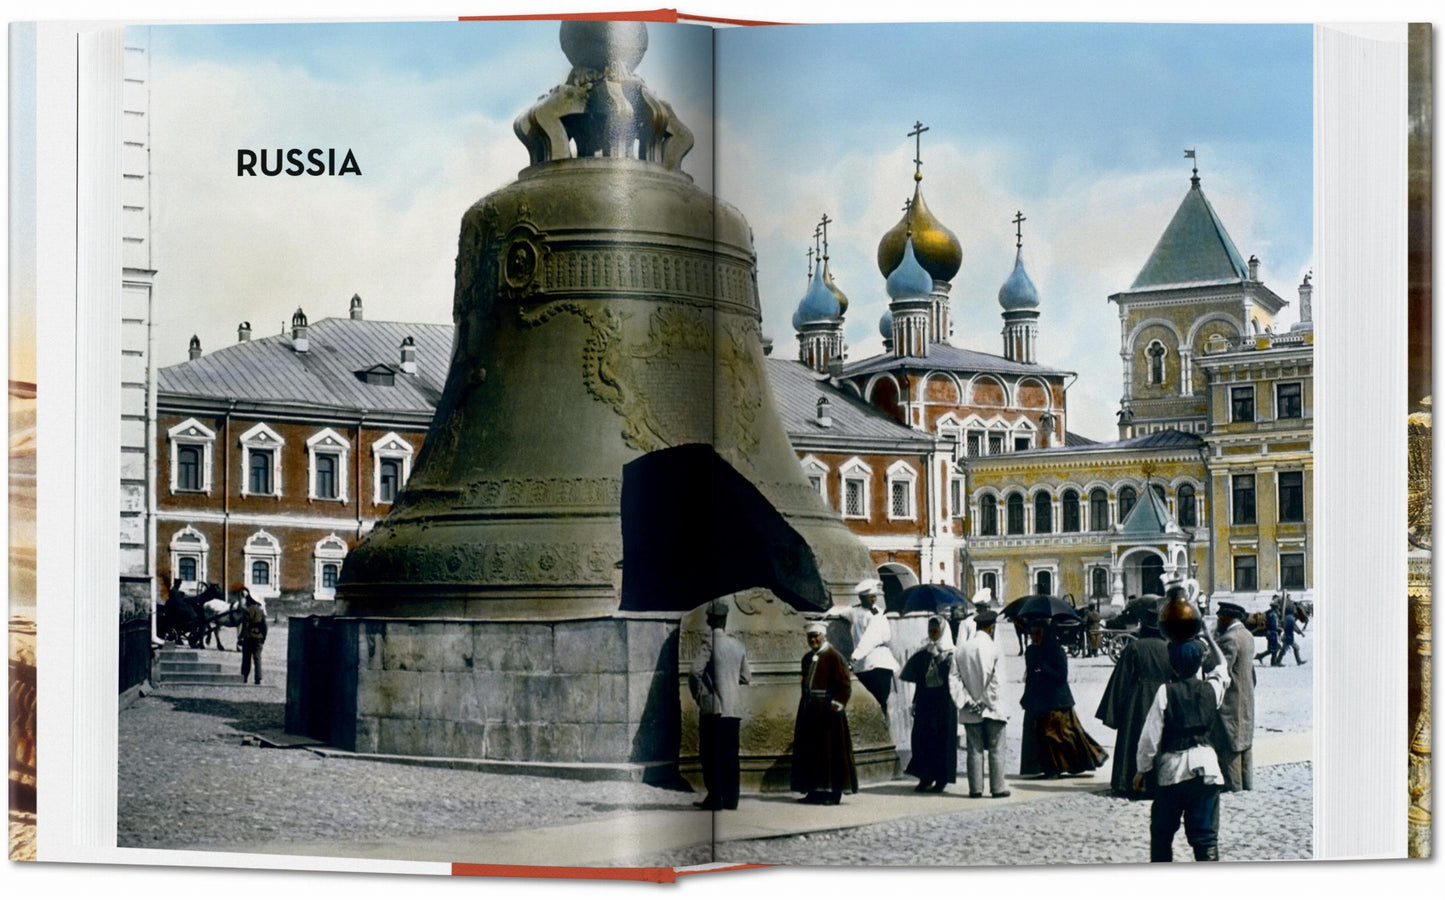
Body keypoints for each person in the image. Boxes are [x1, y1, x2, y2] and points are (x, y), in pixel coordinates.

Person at [1135, 635, 1232, 862]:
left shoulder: (1165, 692)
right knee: (1205, 837)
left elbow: (1150, 737)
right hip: (1206, 770)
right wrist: (1208, 636)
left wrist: (1142, 769)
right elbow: (1223, 667)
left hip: (1173, 771)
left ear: (1173, 666)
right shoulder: (1211, 689)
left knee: (1161, 832)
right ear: (1199, 664)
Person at [1096, 597, 1172, 796]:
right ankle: (1160, 783)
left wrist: (1113, 712)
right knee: (1161, 739)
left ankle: (1128, 781)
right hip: (1165, 698)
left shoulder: (1134, 648)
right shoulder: (1170, 648)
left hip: (1138, 700)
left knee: (1134, 738)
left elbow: (1121, 682)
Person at [1020, 620, 1108, 777]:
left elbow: (1061, 676)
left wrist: (1044, 667)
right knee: (1042, 737)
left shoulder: (1056, 650)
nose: (1034, 637)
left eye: (1037, 633)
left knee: (1063, 735)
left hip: (1057, 699)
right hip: (1038, 700)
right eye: (1031, 633)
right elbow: (1030, 676)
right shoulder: (1031, 651)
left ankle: (1079, 761)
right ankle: (1049, 768)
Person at [688, 599, 752, 810]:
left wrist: (700, 695)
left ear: (709, 619)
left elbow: (694, 672)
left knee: (710, 754)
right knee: (730, 755)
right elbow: (746, 677)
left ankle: (715, 798)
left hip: (713, 709)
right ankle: (731, 799)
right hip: (733, 709)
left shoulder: (708, 644)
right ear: (725, 620)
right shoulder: (737, 644)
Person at [791, 622, 858, 805]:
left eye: (816, 636)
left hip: (829, 713)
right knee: (812, 751)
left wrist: (838, 703)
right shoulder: (807, 658)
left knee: (830, 753)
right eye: (810, 637)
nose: (813, 640)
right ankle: (814, 790)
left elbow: (844, 684)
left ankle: (833, 793)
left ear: (823, 636)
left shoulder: (834, 656)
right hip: (810, 711)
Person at [900, 616, 960, 793]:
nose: (933, 634)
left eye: (936, 631)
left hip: (944, 703)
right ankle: (925, 776)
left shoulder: (952, 653)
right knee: (923, 739)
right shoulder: (925, 651)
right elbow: (919, 679)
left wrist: (939, 659)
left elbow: (951, 678)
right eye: (930, 630)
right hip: (926, 702)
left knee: (942, 740)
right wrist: (915, 702)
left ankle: (941, 778)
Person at [955, 609, 1010, 799]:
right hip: (991, 707)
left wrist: (968, 700)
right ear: (991, 628)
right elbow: (996, 681)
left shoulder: (961, 649)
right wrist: (985, 701)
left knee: (974, 748)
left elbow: (954, 679)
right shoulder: (994, 649)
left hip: (970, 707)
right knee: (996, 747)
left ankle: (975, 788)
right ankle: (997, 787)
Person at [828, 579, 900, 712]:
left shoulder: (877, 614)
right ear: (861, 597)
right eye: (870, 597)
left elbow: (870, 639)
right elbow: (841, 611)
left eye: (875, 597)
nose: (873, 600)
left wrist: (854, 657)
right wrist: (826, 611)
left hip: (878, 663)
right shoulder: (856, 611)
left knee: (880, 701)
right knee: (871, 702)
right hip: (863, 665)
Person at [1209, 600, 1257, 792]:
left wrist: (1210, 646)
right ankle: (1247, 784)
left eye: (1220, 617)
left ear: (1227, 618)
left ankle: (1233, 786)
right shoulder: (1247, 635)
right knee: (1244, 742)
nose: (1218, 620)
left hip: (1231, 700)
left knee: (1230, 744)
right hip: (1246, 697)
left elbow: (1219, 667)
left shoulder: (1229, 639)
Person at [238, 588, 267, 685]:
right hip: (258, 637)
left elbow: (245, 626)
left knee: (246, 658)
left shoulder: (247, 611)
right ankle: (258, 678)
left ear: (250, 600)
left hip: (248, 637)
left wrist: (240, 638)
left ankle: (244, 677)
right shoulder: (261, 611)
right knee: (257, 658)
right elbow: (265, 626)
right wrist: (263, 638)